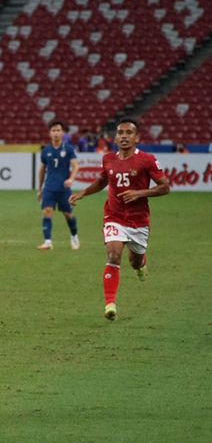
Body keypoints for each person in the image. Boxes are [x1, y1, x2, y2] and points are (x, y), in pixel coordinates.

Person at [69, 118, 170, 321]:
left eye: (129, 133)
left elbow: (165, 187)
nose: (124, 136)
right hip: (114, 216)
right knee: (114, 255)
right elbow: (102, 181)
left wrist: (139, 193)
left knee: (135, 261)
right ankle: (110, 305)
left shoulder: (147, 160)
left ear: (137, 137)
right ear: (115, 137)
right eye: (120, 132)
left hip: (138, 220)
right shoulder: (108, 159)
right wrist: (83, 193)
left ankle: (142, 263)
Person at [36, 120, 80, 250]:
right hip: (49, 187)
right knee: (47, 212)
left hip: (64, 189)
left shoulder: (68, 149)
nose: (56, 133)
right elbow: (42, 170)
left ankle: (74, 235)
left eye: (58, 130)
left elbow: (75, 165)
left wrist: (71, 178)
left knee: (68, 215)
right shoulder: (46, 150)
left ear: (62, 133)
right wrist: (39, 189)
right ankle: (48, 242)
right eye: (53, 130)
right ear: (50, 133)